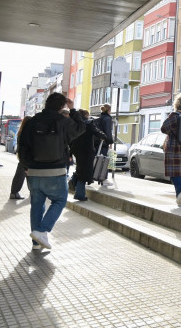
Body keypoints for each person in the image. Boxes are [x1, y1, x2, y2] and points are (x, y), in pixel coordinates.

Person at [18, 93, 85, 250]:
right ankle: (41, 231)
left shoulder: (32, 122)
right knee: (60, 200)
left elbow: (22, 146)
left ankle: (36, 243)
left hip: (34, 171)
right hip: (56, 171)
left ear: (46, 103)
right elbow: (81, 128)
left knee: (36, 204)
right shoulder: (63, 121)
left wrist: (27, 167)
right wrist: (73, 109)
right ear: (62, 106)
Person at [70, 109, 108, 201]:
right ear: (86, 115)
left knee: (80, 169)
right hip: (86, 151)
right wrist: (104, 136)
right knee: (84, 172)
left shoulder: (74, 124)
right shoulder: (88, 123)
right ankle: (79, 194)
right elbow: (97, 132)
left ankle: (73, 181)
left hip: (76, 150)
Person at [9, 116, 32, 200]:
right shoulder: (27, 132)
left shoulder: (20, 131)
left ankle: (15, 192)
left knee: (23, 175)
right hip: (26, 158)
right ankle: (14, 192)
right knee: (24, 175)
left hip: (22, 157)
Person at [94, 104, 114, 185]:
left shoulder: (99, 118)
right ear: (109, 110)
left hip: (97, 142)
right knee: (105, 160)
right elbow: (108, 131)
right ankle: (104, 178)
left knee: (99, 160)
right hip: (104, 143)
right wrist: (110, 142)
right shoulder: (108, 119)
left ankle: (98, 177)